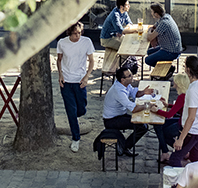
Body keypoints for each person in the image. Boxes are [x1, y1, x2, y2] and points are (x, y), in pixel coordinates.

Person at [57, 22, 95, 152]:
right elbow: (59, 59)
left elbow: (91, 61)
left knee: (81, 109)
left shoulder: (86, 42)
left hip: (80, 81)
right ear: (69, 33)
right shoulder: (62, 43)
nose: (78, 35)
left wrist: (86, 76)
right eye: (75, 33)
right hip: (66, 82)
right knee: (71, 112)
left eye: (79, 33)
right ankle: (76, 138)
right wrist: (60, 75)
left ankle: (79, 114)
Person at [101, 66, 155, 157]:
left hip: (120, 115)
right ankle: (124, 147)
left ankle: (124, 146)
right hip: (111, 120)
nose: (132, 76)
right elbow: (133, 108)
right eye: (129, 76)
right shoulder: (119, 91)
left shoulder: (124, 84)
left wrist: (144, 92)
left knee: (142, 125)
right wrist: (147, 106)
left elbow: (134, 92)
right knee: (142, 127)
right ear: (122, 79)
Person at [168, 56, 198, 167]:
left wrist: (181, 139)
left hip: (192, 130)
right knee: (195, 159)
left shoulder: (192, 90)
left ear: (188, 70)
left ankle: (181, 183)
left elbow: (191, 117)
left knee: (175, 159)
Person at [154, 73, 190, 162]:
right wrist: (168, 105)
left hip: (182, 123)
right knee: (159, 127)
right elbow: (178, 108)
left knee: (162, 132)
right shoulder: (186, 94)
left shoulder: (182, 96)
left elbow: (169, 114)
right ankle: (168, 152)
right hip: (182, 120)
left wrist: (156, 111)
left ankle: (169, 152)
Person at [145, 2, 182, 67]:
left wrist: (149, 31)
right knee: (149, 52)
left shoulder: (164, 23)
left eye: (152, 12)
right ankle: (164, 66)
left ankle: (168, 68)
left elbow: (149, 37)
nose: (151, 13)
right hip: (169, 47)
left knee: (147, 60)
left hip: (171, 52)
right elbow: (154, 27)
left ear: (156, 14)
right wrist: (151, 30)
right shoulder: (166, 16)